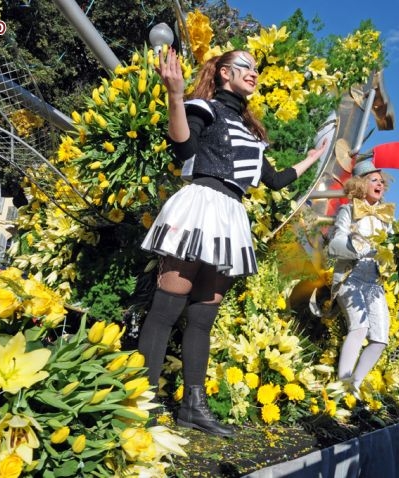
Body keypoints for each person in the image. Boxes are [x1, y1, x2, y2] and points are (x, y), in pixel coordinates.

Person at [138, 48, 327, 437]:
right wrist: (175, 95)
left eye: (256, 69)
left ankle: (193, 407)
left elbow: (273, 181)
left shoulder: (252, 131)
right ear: (225, 72)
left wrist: (312, 159)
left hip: (230, 215)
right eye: (247, 67)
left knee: (204, 317)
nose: (255, 74)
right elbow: (184, 148)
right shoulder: (203, 107)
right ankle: (142, 400)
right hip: (200, 204)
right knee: (166, 306)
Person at [327, 160, 394, 400]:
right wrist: (357, 248)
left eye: (382, 181)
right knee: (360, 327)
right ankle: (341, 386)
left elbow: (394, 251)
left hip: (374, 284)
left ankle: (353, 386)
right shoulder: (348, 210)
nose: (380, 184)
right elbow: (333, 246)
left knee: (380, 339)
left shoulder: (387, 219)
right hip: (350, 277)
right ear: (360, 183)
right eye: (374, 180)